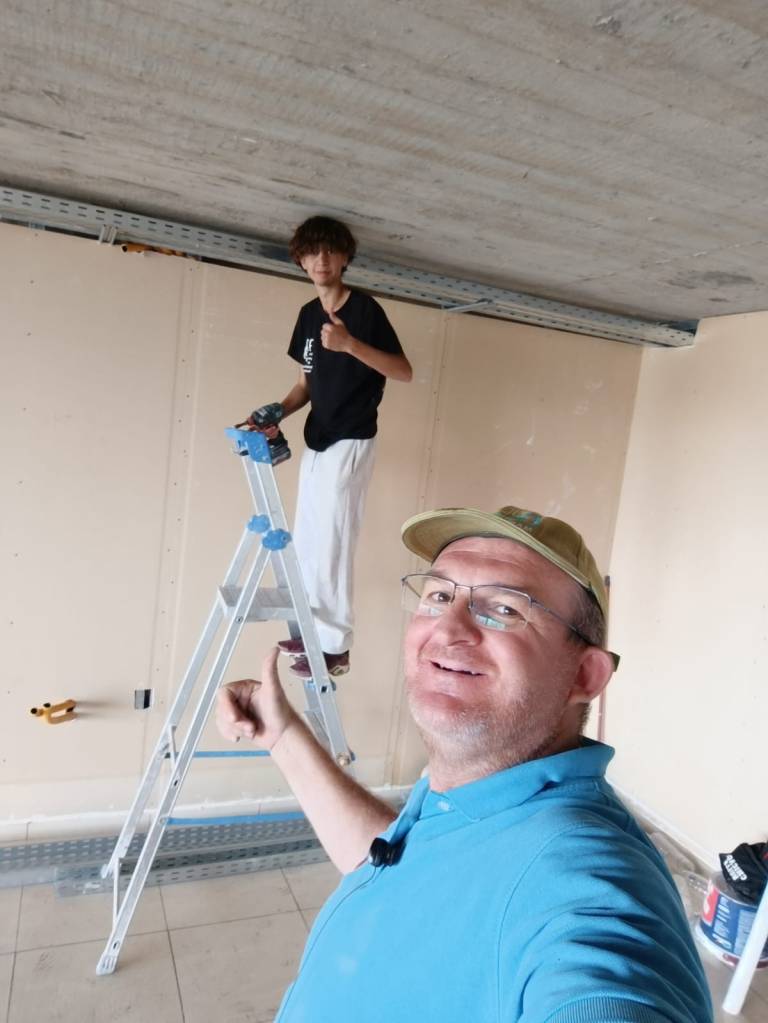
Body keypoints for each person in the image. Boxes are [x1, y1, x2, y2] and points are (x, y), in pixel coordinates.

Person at [216, 504, 714, 1023]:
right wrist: (282, 735)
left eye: (505, 608)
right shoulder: (478, 797)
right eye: (439, 595)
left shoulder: (589, 879)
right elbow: (402, 865)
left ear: (584, 676)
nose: (448, 628)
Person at [240, 215, 412, 679]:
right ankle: (312, 631)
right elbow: (305, 385)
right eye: (313, 252)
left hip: (352, 437)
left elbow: (403, 371)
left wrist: (350, 344)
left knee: (334, 541)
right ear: (301, 260)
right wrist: (276, 411)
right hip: (317, 437)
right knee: (311, 538)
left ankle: (335, 648)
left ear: (345, 258)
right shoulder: (307, 315)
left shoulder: (365, 310)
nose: (322, 260)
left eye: (331, 251)